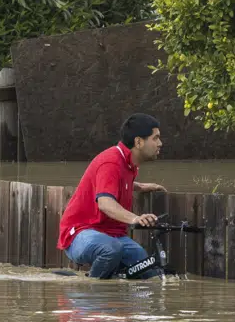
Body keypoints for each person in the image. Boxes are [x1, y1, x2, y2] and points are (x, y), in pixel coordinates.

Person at [57, 113, 166, 279]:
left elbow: (114, 183)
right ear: (138, 142)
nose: (160, 143)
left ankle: (116, 292)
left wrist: (140, 186)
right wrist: (136, 219)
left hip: (112, 235)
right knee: (110, 249)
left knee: (144, 267)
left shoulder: (128, 164)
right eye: (155, 138)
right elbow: (105, 204)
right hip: (80, 233)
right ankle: (92, 289)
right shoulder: (111, 162)